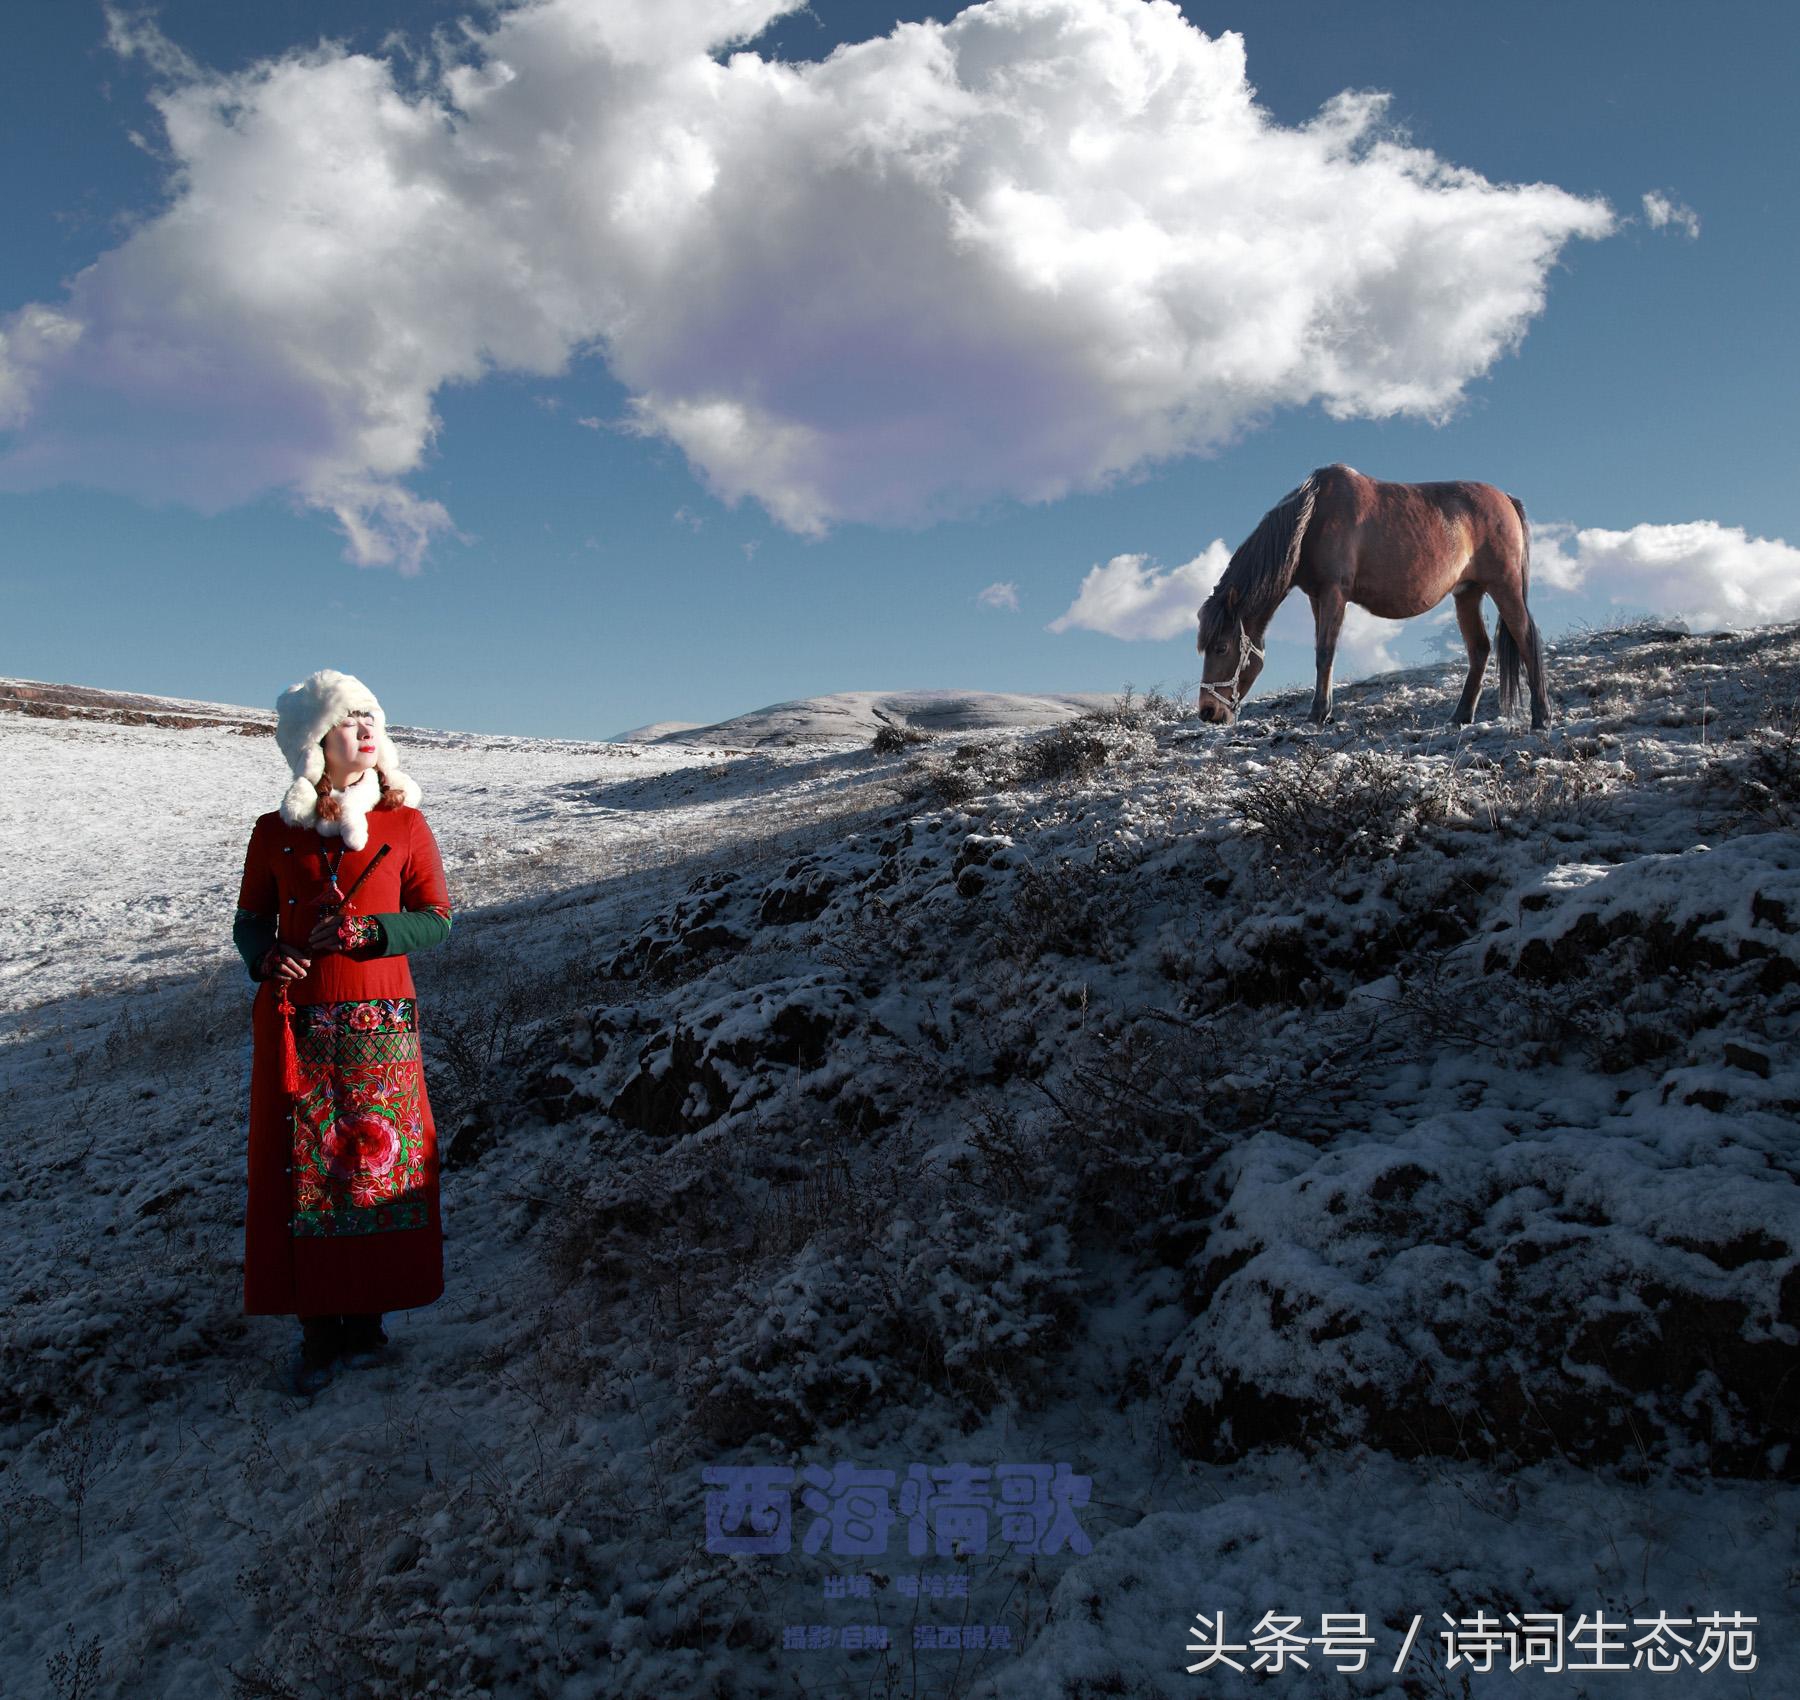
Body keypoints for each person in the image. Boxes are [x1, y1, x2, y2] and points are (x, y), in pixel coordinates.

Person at [233, 669, 452, 1396]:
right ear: (312, 741)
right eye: (346, 720)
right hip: (296, 1023)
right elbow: (249, 922)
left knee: (373, 1166)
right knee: (302, 1172)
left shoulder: (407, 825)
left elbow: (437, 918)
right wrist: (268, 956)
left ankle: (367, 1324)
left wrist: (372, 933)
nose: (364, 730)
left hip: (378, 1017)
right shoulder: (273, 833)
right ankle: (317, 1330)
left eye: (370, 718)